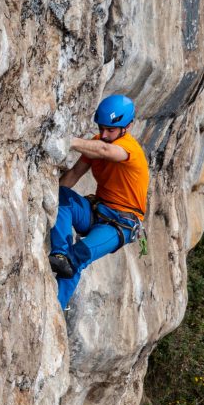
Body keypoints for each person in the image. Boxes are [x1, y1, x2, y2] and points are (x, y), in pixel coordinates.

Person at [49, 94, 149, 309]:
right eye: (101, 128)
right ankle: (59, 253)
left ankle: (55, 308)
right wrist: (48, 197)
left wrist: (68, 141)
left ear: (127, 126)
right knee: (62, 196)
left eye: (110, 130)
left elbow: (105, 151)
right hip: (98, 211)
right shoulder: (97, 143)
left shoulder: (129, 149)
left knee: (77, 257)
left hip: (121, 224)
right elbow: (74, 174)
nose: (104, 135)